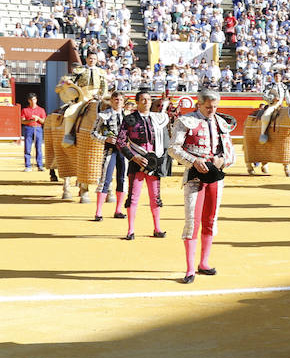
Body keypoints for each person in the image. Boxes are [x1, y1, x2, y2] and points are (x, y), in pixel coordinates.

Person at [169, 89, 236, 284]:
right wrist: (194, 161)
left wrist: (222, 160)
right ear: (199, 105)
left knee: (210, 219)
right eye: (208, 107)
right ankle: (190, 268)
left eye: (215, 107)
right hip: (195, 177)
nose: (212, 110)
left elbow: (231, 153)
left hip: (216, 177)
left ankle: (204, 263)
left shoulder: (221, 122)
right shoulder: (186, 121)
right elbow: (173, 148)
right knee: (192, 222)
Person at [118, 89, 168, 241]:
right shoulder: (129, 119)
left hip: (154, 162)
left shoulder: (158, 119)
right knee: (133, 196)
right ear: (137, 102)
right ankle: (130, 230)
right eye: (143, 100)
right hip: (137, 162)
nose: (146, 102)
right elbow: (120, 141)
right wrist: (134, 157)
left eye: (148, 99)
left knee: (155, 196)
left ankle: (157, 228)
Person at [89, 90, 128, 221]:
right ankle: (98, 212)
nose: (118, 102)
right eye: (116, 100)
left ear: (124, 102)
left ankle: (118, 210)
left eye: (121, 100)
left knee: (122, 179)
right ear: (111, 101)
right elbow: (93, 133)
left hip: (124, 152)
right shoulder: (103, 115)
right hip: (110, 150)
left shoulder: (128, 116)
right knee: (105, 179)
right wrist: (105, 139)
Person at [20, 93, 45, 172]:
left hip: (38, 128)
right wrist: (30, 120)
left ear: (36, 100)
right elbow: (22, 121)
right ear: (29, 101)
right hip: (28, 128)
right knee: (27, 148)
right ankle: (28, 166)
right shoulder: (25, 110)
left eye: (34, 99)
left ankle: (40, 165)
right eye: (31, 100)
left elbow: (44, 121)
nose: (33, 101)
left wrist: (38, 119)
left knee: (38, 148)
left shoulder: (41, 110)